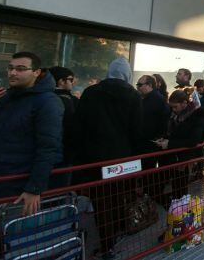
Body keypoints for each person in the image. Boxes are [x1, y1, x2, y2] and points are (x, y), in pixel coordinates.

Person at [0, 52, 64, 249]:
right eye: (10, 68)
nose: (13, 73)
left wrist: (34, 188)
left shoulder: (48, 102)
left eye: (20, 69)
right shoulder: (6, 98)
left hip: (19, 189)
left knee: (19, 244)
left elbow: (48, 147)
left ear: (36, 72)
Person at [73, 57, 143, 258]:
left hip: (94, 157)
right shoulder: (133, 96)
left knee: (101, 200)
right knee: (117, 196)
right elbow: (136, 131)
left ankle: (106, 242)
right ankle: (115, 233)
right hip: (122, 159)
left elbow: (79, 126)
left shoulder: (91, 93)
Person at [154, 89, 204, 199]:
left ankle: (180, 206)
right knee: (172, 182)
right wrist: (164, 138)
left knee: (180, 185)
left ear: (184, 103)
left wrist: (169, 144)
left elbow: (193, 141)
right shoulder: (174, 115)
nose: (173, 109)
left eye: (175, 107)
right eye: (172, 107)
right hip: (172, 156)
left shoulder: (196, 116)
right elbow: (172, 132)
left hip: (184, 158)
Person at [48, 66, 82, 185]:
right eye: (71, 80)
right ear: (61, 81)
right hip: (64, 154)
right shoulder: (69, 101)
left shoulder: (41, 99)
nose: (72, 83)